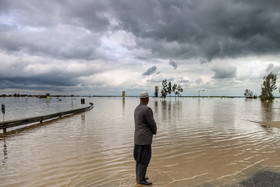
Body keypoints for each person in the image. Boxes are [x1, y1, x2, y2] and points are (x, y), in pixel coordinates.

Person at [134, 91, 157, 185]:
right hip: (144, 139)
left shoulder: (137, 108)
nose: (148, 100)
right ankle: (141, 180)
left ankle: (139, 177)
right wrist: (154, 131)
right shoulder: (147, 110)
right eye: (147, 98)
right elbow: (152, 123)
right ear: (146, 99)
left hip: (137, 138)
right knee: (144, 159)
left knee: (139, 159)